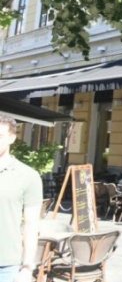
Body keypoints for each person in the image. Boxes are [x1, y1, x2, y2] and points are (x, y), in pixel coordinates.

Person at [0, 114, 42, 282]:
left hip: (5, 265)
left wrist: (27, 267)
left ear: (12, 138)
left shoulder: (28, 176)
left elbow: (31, 225)